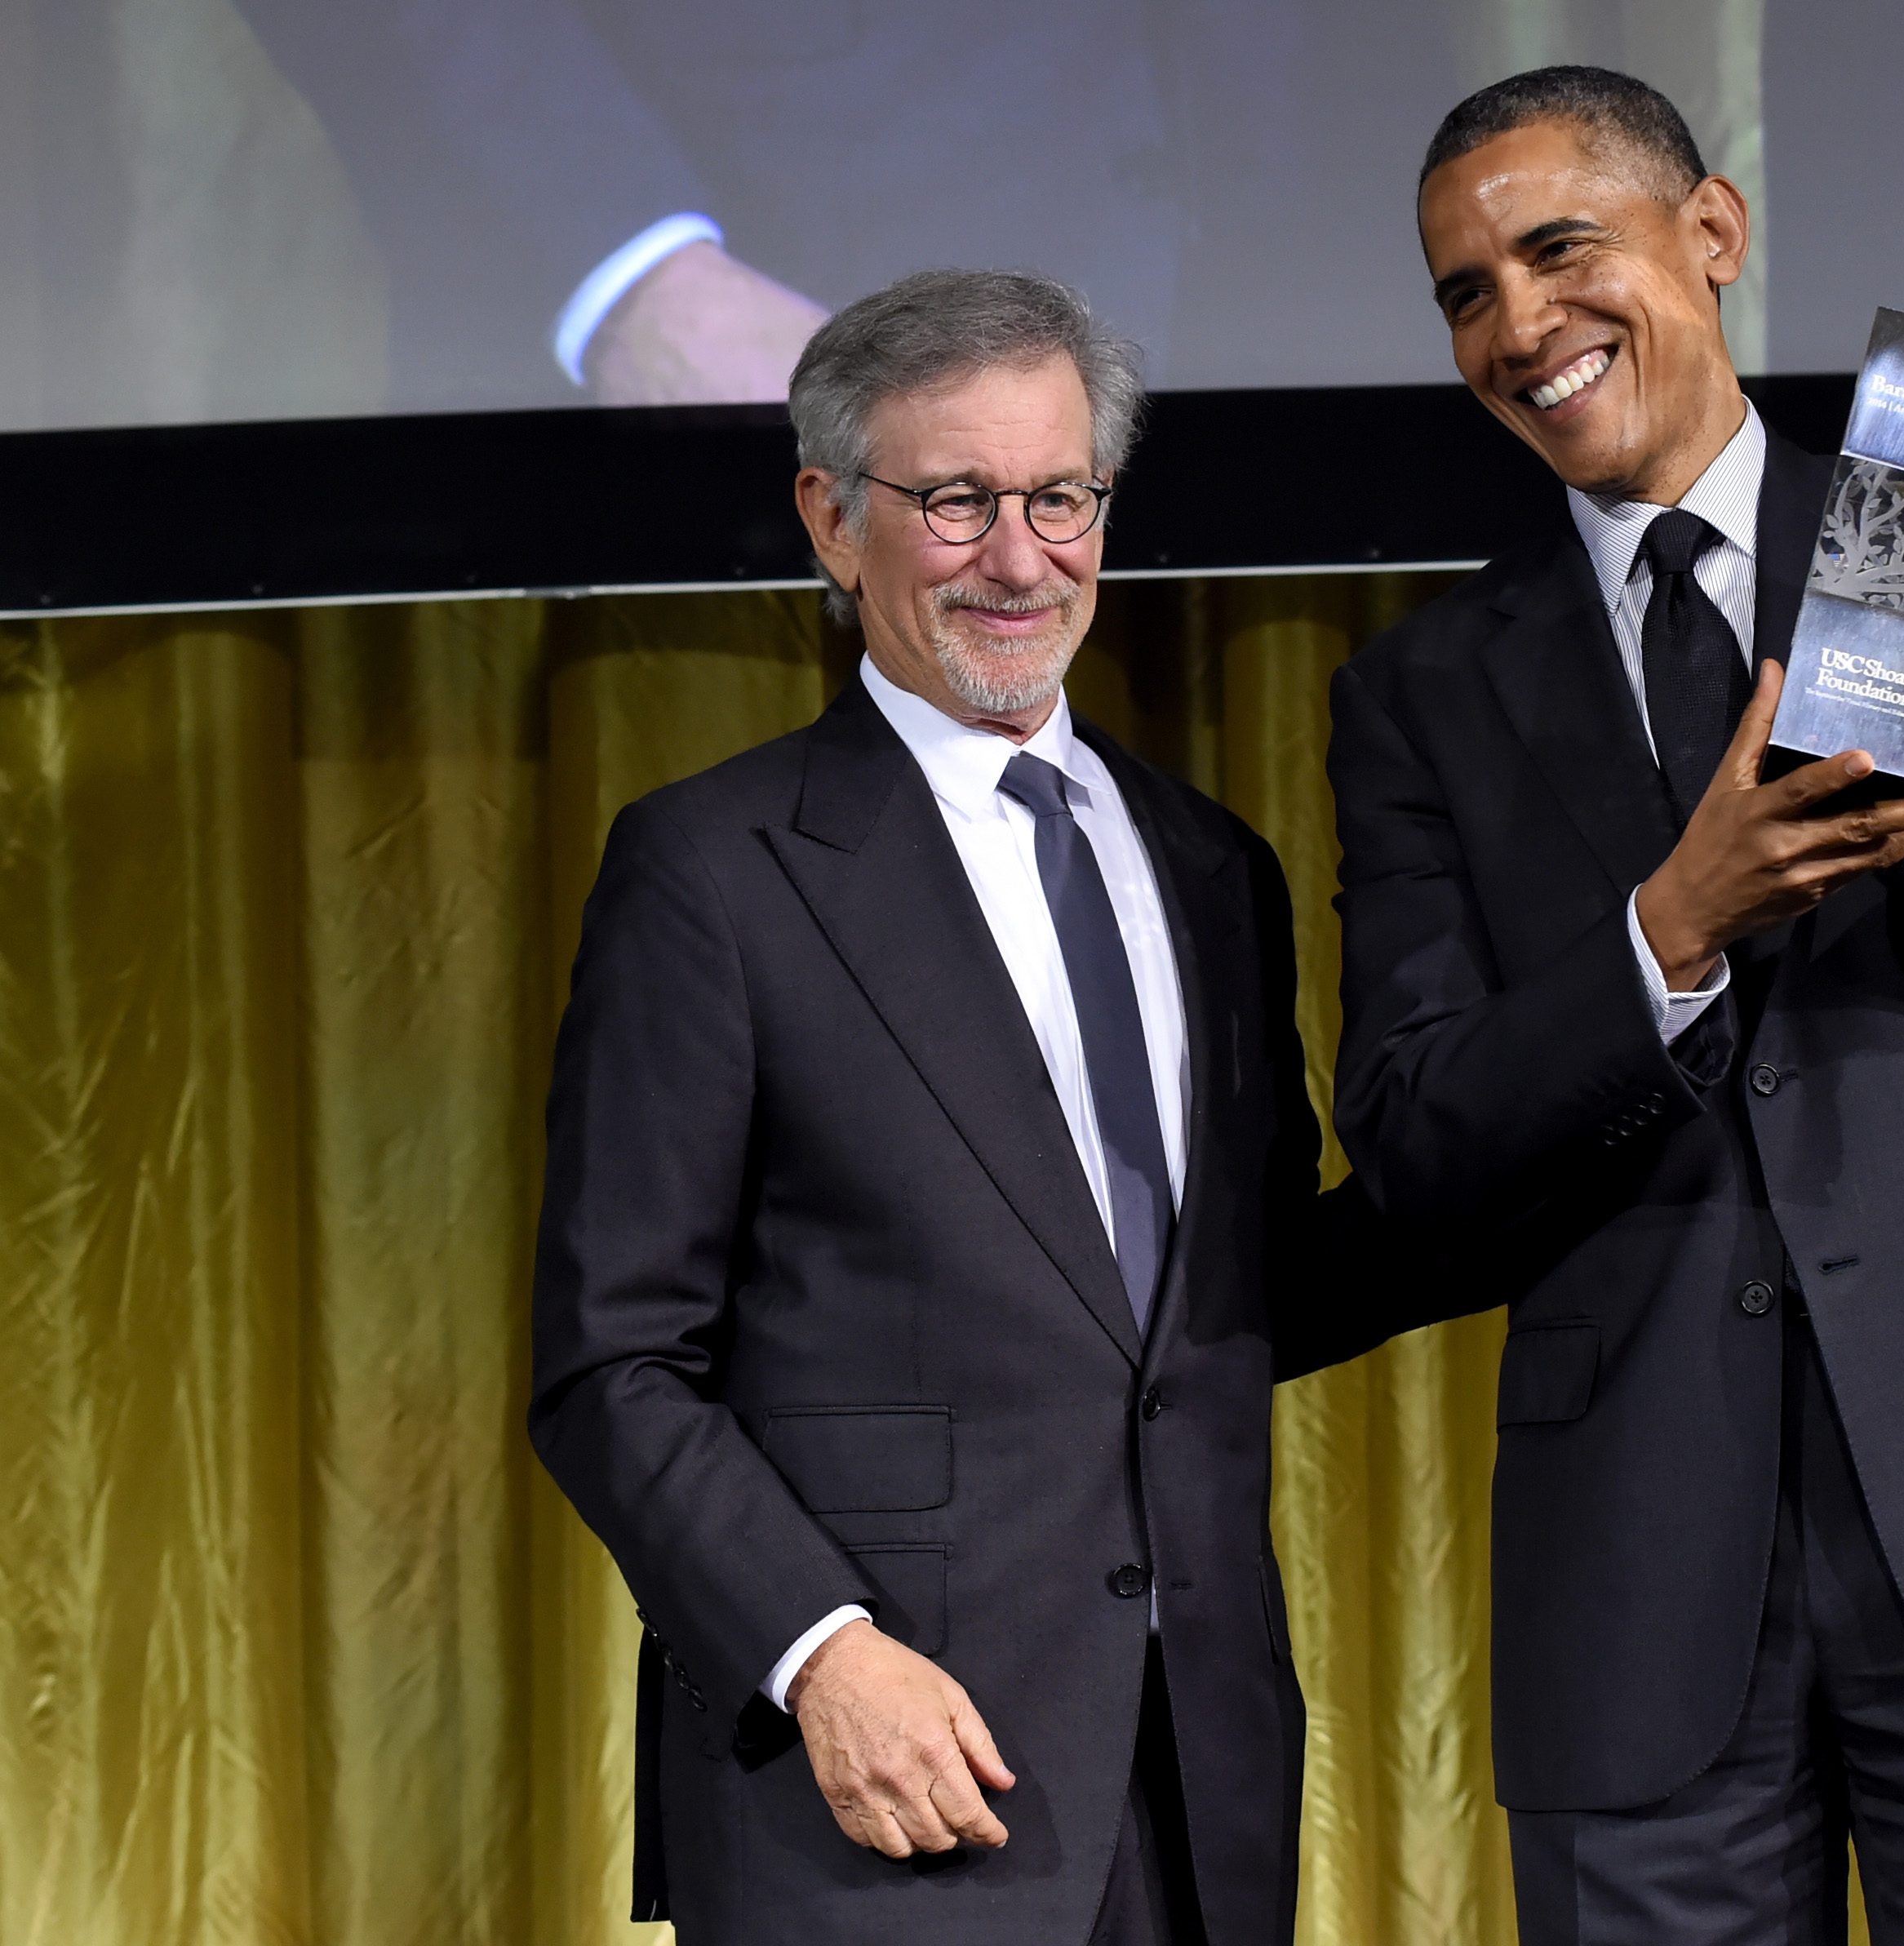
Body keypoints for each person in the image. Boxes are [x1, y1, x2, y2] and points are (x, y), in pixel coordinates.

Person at [1324, 68, 1904, 1946]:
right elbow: (1417, 1135)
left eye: (1558, 249)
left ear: (1713, 234)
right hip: (1640, 1601)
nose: (1519, 327)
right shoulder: (1419, 692)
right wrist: (1662, 932)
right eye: (1462, 292)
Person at [529, 269, 1348, 1944]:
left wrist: (1647, 1001)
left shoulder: (1213, 869)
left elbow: (1242, 1297)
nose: (1021, 555)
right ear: (833, 520)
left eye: (1059, 497)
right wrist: (819, 1651)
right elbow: (612, 1360)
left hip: (1200, 1787)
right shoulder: (713, 870)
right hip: (882, 1792)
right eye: (958, 500)